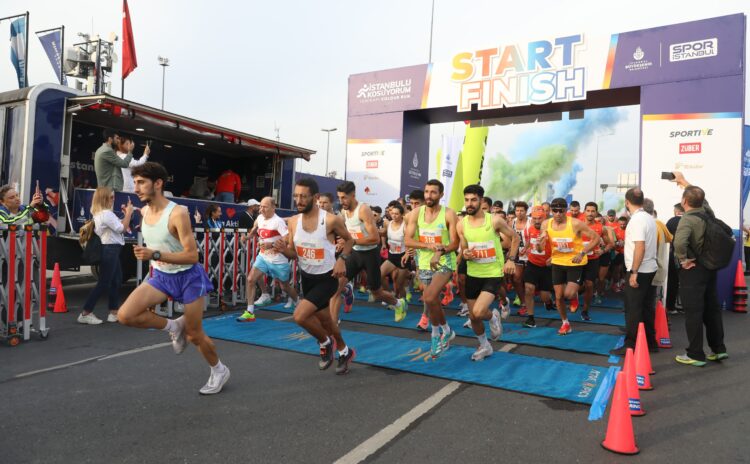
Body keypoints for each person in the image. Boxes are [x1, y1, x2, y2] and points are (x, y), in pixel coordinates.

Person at [117, 162, 229, 395]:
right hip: (161, 275)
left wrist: (154, 254)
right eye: (135, 182)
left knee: (195, 335)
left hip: (188, 277)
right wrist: (153, 257)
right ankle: (173, 325)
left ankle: (219, 370)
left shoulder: (177, 213)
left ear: (157, 184)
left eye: (141, 183)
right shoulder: (145, 211)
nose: (135, 188)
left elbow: (192, 255)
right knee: (126, 315)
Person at [274, 177, 357, 374]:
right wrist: (284, 251)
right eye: (296, 196)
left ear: (315, 197)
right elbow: (294, 253)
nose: (299, 200)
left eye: (303, 196)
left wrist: (342, 259)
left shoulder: (330, 220)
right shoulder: (293, 222)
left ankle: (325, 342)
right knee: (327, 322)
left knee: (300, 316)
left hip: (327, 278)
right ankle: (345, 352)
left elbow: (349, 240)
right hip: (307, 278)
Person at [671, 172, 727, 366]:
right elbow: (701, 197)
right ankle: (718, 349)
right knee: (712, 309)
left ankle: (695, 354)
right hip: (710, 267)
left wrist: (684, 260)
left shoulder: (687, 219)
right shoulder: (706, 211)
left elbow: (679, 243)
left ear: (684, 201)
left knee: (693, 312)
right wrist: (684, 182)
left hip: (694, 270)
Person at [458, 184, 518, 361]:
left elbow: (515, 238)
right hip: (473, 273)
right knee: (473, 317)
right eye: (467, 200)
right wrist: (466, 253)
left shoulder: (494, 221)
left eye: (473, 200)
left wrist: (511, 259)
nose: (469, 204)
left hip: (492, 272)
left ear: (481, 201)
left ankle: (492, 316)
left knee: (477, 312)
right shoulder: (461, 225)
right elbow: (463, 247)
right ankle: (485, 345)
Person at [334, 181, 407, 322]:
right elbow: (350, 232)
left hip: (370, 255)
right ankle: (333, 324)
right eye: (339, 197)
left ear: (353, 195)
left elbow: (375, 238)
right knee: (335, 287)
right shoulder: (344, 211)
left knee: (376, 293)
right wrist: (344, 240)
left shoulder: (363, 210)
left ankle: (399, 303)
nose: (341, 201)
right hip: (355, 254)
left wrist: (351, 241)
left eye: (344, 197)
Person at [404, 179, 459, 358]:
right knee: (432, 300)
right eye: (427, 192)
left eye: (433, 192)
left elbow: (454, 243)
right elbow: (408, 240)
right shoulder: (415, 214)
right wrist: (430, 247)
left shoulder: (449, 214)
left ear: (441, 195)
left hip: (445, 262)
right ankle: (446, 331)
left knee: (428, 296)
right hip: (425, 262)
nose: (429, 195)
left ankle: (435, 336)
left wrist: (440, 250)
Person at [536, 197, 600, 335]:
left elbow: (596, 238)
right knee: (558, 297)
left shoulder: (576, 224)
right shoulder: (546, 224)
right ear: (551, 211)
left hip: (574, 262)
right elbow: (540, 249)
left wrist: (583, 252)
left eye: (561, 210)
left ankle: (575, 294)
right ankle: (565, 323)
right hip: (558, 262)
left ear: (566, 211)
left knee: (568, 293)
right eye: (555, 211)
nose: (558, 214)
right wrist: (538, 244)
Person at [610, 188, 658, 356]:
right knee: (645, 307)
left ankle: (630, 345)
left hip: (640, 269)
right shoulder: (649, 218)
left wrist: (634, 272)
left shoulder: (637, 220)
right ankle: (650, 342)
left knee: (633, 308)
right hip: (649, 268)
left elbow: (640, 246)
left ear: (627, 202)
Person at [237, 197, 299, 322]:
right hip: (263, 256)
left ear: (273, 207)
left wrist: (271, 245)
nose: (261, 209)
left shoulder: (278, 221)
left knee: (285, 286)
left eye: (265, 207)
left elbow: (287, 238)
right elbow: (255, 230)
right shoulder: (259, 218)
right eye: (260, 206)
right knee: (250, 279)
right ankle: (250, 311)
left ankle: (298, 301)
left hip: (278, 259)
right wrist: (247, 237)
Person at [78, 187, 134, 325]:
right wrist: (128, 213)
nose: (113, 199)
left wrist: (125, 215)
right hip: (110, 249)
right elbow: (122, 229)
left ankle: (113, 312)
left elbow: (116, 227)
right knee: (104, 282)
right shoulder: (106, 214)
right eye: (111, 197)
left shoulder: (102, 214)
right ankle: (86, 312)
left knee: (116, 280)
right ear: (104, 199)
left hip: (111, 248)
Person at [521, 206, 554, 328]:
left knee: (544, 296)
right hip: (532, 264)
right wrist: (526, 248)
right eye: (534, 218)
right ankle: (530, 319)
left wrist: (553, 258)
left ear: (544, 218)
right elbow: (530, 241)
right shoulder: (529, 229)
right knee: (529, 289)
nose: (537, 221)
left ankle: (549, 301)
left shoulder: (551, 230)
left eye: (539, 218)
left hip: (546, 266)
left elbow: (558, 246)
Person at [581, 202, 613, 321]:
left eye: (592, 211)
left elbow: (610, 244)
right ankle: (574, 299)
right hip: (577, 260)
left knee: (589, 285)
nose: (590, 213)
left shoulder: (601, 228)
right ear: (584, 212)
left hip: (592, 260)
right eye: (588, 211)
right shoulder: (577, 225)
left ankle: (585, 310)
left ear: (596, 213)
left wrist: (602, 251)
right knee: (574, 288)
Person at [379, 203, 410, 313]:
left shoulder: (405, 226)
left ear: (402, 215)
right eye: (392, 213)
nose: (394, 216)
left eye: (397, 214)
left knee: (399, 285)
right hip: (392, 256)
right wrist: (383, 244)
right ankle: (389, 294)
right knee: (379, 274)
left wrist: (408, 253)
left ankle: (403, 302)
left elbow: (410, 241)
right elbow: (384, 234)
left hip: (402, 257)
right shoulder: (388, 223)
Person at [511, 201, 530, 314]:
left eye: (521, 210)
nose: (519, 213)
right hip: (518, 253)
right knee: (516, 279)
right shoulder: (512, 222)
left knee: (529, 282)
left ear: (526, 211)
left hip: (531, 254)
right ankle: (523, 302)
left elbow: (536, 236)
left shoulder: (531, 222)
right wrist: (511, 250)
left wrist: (528, 247)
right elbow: (510, 237)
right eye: (517, 210)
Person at [666, 203, 685, 314]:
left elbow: (666, 239)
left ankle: (671, 306)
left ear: (677, 211)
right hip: (689, 258)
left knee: (672, 281)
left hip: (673, 256)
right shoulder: (690, 220)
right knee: (686, 283)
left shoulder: (671, 221)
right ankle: (685, 306)